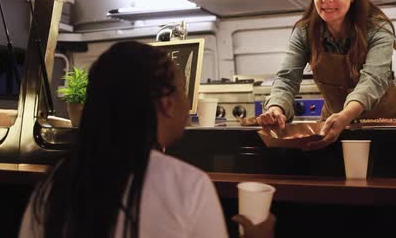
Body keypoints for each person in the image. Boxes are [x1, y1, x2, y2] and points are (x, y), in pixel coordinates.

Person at [19, 41, 274, 237]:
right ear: (166, 104)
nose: (188, 103)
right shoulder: (189, 185)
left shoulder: (52, 185)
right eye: (183, 90)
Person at [257, 0, 396, 150]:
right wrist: (276, 109)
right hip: (332, 127)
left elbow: (373, 80)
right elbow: (287, 78)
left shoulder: (378, 28)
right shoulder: (304, 32)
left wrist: (345, 116)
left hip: (387, 127)